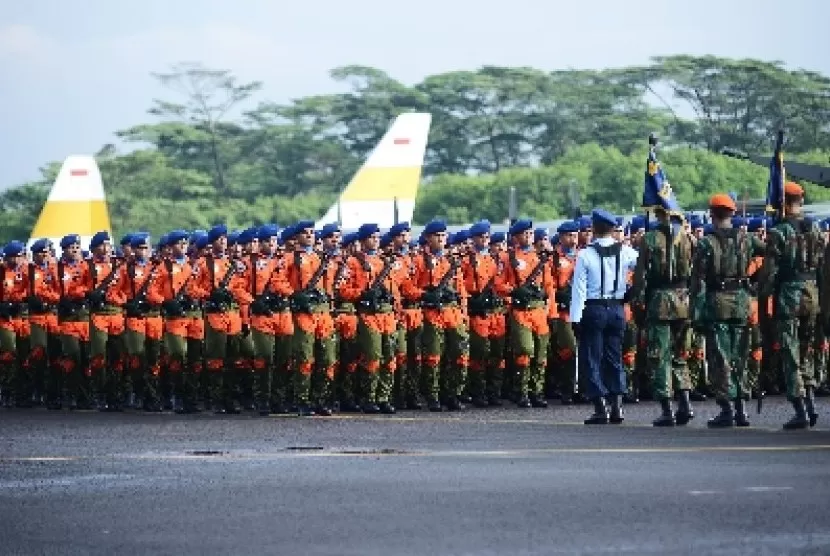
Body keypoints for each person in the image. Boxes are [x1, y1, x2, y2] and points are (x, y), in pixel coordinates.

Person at [689, 194, 764, 427]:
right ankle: (741, 408)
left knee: (720, 357)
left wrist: (696, 311)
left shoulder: (705, 243)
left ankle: (726, 408)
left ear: (712, 214)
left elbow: (698, 281)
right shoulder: (747, 239)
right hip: (741, 302)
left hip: (717, 303)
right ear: (732, 214)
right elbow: (771, 253)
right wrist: (756, 284)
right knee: (740, 356)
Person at [764, 182, 824, 429]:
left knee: (790, 353)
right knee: (807, 349)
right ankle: (810, 403)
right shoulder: (816, 229)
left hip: (790, 294)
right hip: (813, 292)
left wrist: (764, 296)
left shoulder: (779, 232)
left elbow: (769, 273)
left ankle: (800, 409)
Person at [570, 209, 638, 424]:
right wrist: (632, 291)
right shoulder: (626, 251)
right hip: (617, 308)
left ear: (595, 229)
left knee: (592, 358)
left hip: (594, 308)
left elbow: (579, 290)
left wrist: (575, 318)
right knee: (614, 357)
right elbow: (645, 268)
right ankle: (617, 406)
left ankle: (600, 407)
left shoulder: (585, 254)